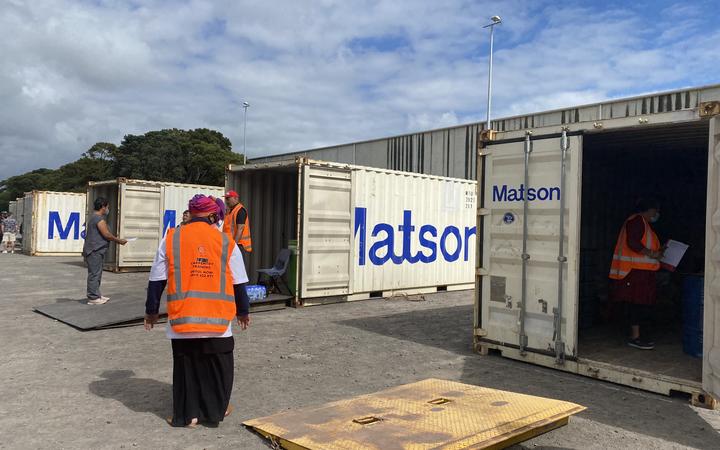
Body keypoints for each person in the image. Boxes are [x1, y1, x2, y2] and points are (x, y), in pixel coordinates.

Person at [144, 194, 251, 428]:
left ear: (191, 214)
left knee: (186, 369)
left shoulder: (170, 239)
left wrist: (151, 311)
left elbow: (156, 279)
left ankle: (187, 415)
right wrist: (243, 311)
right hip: (218, 323)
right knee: (218, 369)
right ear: (213, 215)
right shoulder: (226, 242)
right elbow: (239, 282)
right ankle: (214, 411)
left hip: (182, 321)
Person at [609, 198, 665, 350]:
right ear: (649, 209)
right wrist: (652, 254)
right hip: (634, 272)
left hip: (642, 273)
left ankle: (638, 335)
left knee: (640, 304)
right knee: (637, 305)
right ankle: (635, 337)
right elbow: (633, 243)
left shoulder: (645, 225)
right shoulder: (636, 221)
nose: (657, 214)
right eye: (656, 210)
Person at [83, 197, 127, 305]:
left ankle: (96, 294)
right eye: (107, 207)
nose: (108, 209)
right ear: (102, 207)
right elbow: (106, 234)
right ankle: (93, 297)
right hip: (94, 251)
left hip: (95, 250)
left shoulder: (94, 217)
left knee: (97, 273)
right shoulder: (98, 219)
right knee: (94, 274)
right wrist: (119, 240)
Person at [222, 191, 252, 264]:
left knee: (237, 270)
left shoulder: (240, 210)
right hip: (231, 244)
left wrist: (234, 245)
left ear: (235, 198)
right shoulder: (230, 211)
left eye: (228, 198)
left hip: (238, 245)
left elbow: (240, 229)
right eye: (226, 199)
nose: (227, 201)